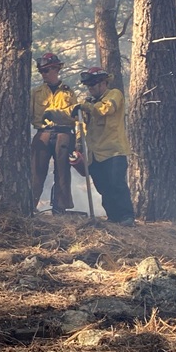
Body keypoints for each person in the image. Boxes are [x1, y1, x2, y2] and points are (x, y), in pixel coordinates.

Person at [70, 67, 135, 226]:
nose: (90, 88)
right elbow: (83, 126)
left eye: (93, 84)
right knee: (103, 188)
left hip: (113, 151)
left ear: (104, 82)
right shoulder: (89, 103)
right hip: (94, 154)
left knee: (116, 185)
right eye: (88, 85)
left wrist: (85, 107)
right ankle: (113, 218)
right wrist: (79, 142)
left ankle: (126, 217)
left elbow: (106, 109)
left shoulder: (114, 95)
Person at [30, 53, 78, 214]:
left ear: (56, 69)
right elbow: (28, 115)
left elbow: (76, 115)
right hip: (43, 133)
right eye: (41, 71)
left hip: (64, 134)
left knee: (63, 172)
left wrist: (78, 140)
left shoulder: (68, 92)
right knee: (36, 171)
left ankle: (60, 207)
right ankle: (30, 205)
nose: (43, 74)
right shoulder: (35, 93)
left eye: (47, 70)